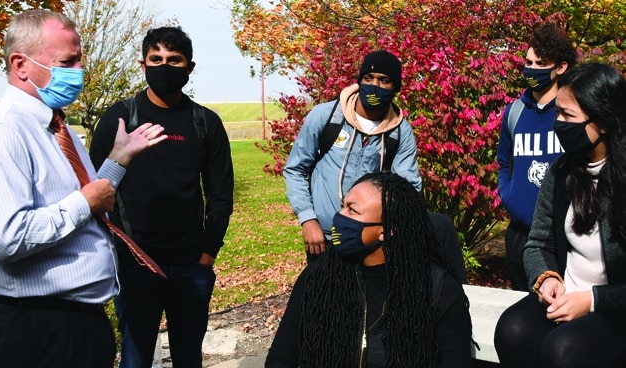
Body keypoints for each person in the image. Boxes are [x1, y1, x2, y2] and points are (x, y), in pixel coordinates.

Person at [0, 9, 167, 368]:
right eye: (67, 62)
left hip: (81, 324)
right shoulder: (1, 134)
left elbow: (88, 198)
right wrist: (83, 203)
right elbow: (5, 239)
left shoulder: (60, 130)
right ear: (20, 65)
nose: (78, 72)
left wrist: (117, 161)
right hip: (37, 332)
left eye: (79, 60)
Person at [89, 26, 234, 368]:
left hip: (190, 267)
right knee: (136, 359)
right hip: (136, 266)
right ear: (143, 64)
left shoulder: (205, 123)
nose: (164, 67)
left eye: (174, 60)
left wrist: (206, 257)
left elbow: (220, 196)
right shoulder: (120, 119)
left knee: (188, 358)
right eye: (156, 59)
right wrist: (123, 255)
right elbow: (95, 190)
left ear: (189, 67)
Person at [283, 50, 467, 282]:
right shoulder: (326, 117)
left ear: (395, 88)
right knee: (324, 305)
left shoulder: (400, 131)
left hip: (371, 242)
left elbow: (407, 188)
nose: (374, 85)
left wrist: (392, 229)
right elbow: (295, 169)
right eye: (368, 78)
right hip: (324, 237)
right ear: (359, 80)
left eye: (384, 80)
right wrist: (308, 219)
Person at [494, 62, 626, 367]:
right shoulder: (561, 172)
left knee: (563, 351)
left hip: (614, 308)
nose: (558, 123)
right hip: (566, 296)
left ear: (603, 122)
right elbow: (538, 242)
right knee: (512, 330)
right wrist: (546, 277)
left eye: (568, 115)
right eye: (558, 112)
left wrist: (593, 301)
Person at [266, 171, 472, 367]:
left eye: (352, 210)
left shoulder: (437, 289)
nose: (339, 217)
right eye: (343, 206)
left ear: (387, 231)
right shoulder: (317, 278)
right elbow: (280, 358)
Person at [497, 23, 577, 291]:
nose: (531, 70)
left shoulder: (572, 113)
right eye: (528, 62)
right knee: (522, 313)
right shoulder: (514, 112)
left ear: (561, 67)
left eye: (541, 64)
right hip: (519, 233)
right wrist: (507, 195)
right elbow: (504, 161)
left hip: (562, 236)